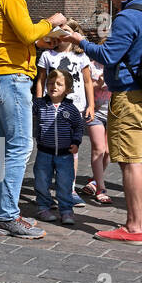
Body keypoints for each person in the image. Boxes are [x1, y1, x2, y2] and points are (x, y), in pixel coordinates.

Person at [67, 0, 142, 243]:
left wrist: (80, 41)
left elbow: (109, 56)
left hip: (131, 96)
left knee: (131, 162)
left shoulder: (128, 16)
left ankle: (134, 227)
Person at [0, 0, 67, 239]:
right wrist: (51, 22)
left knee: (2, 148)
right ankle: (8, 217)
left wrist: (45, 39)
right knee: (19, 147)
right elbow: (28, 33)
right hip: (11, 77)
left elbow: (17, 37)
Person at [34, 21, 93, 206]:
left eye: (66, 32)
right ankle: (45, 192)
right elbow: (41, 80)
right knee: (48, 146)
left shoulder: (81, 56)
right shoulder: (47, 55)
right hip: (50, 107)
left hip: (74, 107)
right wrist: (38, 102)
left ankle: (70, 189)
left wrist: (91, 105)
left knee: (71, 148)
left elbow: (87, 82)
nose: (62, 35)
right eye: (58, 32)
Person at [32, 69, 85, 226]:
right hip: (44, 153)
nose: (53, 86)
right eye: (50, 83)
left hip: (65, 155)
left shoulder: (71, 109)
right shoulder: (40, 105)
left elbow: (78, 127)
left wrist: (76, 142)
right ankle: (43, 207)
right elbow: (27, 105)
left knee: (64, 183)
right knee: (41, 181)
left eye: (59, 84)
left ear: (68, 89)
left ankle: (66, 210)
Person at [79, 32, 113, 205]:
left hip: (114, 113)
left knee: (108, 151)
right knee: (98, 149)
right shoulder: (92, 66)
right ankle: (101, 188)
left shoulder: (117, 65)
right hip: (95, 112)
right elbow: (84, 86)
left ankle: (94, 180)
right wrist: (98, 83)